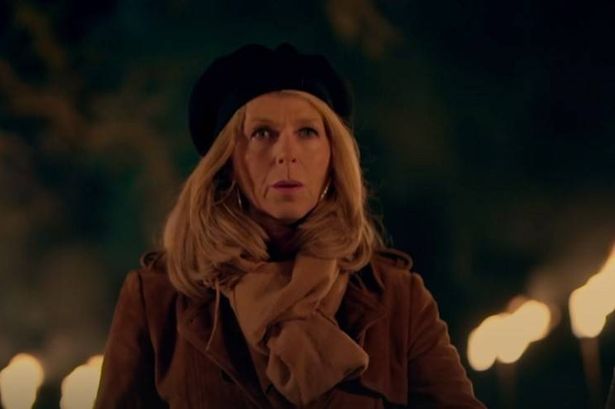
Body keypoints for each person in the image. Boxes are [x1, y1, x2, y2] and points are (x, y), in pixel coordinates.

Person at [94, 43, 486, 409]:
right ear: (226, 162)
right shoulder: (158, 299)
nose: (286, 153)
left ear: (333, 157)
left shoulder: (396, 298)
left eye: (307, 132)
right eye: (262, 133)